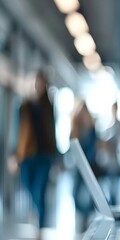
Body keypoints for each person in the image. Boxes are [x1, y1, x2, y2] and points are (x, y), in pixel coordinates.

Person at [13, 70, 58, 229]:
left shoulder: (49, 107)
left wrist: (56, 157)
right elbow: (16, 131)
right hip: (26, 155)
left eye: (40, 82)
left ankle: (41, 227)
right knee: (29, 189)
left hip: (44, 156)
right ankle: (37, 214)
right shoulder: (23, 106)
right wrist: (13, 155)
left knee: (40, 192)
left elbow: (53, 131)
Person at [69, 100, 100, 231]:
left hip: (90, 166)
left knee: (89, 193)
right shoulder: (75, 129)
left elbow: (94, 149)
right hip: (77, 167)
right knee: (75, 192)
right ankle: (80, 218)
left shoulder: (91, 130)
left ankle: (89, 218)